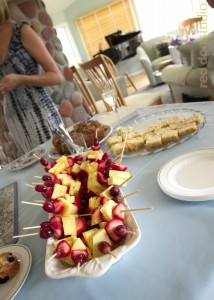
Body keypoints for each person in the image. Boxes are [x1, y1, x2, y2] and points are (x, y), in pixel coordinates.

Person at [0, 0, 63, 156]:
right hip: (14, 121)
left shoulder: (21, 31)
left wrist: (20, 79)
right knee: (38, 173)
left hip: (40, 114)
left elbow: (56, 76)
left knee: (61, 165)